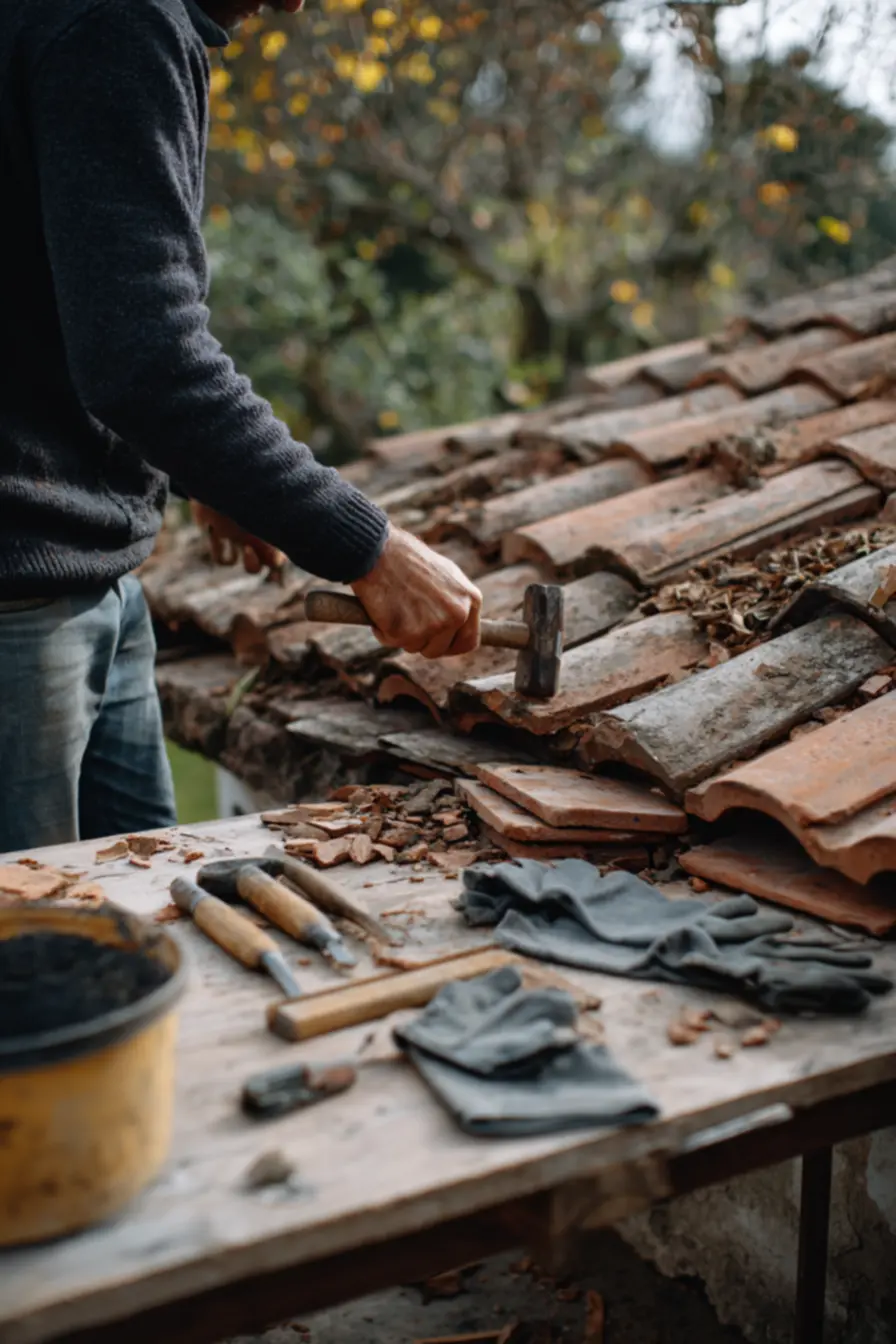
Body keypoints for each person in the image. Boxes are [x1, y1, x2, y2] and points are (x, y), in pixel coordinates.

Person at [0, 0, 482, 853]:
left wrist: (200, 470)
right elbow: (146, 360)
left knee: (143, 903)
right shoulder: (117, 19)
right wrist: (368, 548)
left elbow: (63, 291)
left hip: (87, 573)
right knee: (41, 930)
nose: (295, 4)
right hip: (21, 595)